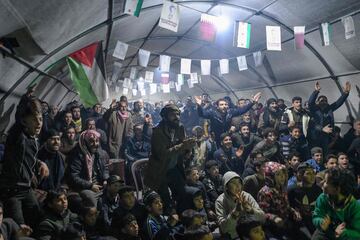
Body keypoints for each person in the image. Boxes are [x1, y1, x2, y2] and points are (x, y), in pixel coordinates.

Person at [0, 95, 48, 227]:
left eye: (40, 119)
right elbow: (19, 117)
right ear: (24, 121)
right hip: (12, 191)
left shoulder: (33, 139)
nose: (39, 123)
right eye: (34, 119)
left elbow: (25, 155)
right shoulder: (17, 136)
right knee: (19, 228)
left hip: (26, 189)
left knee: (41, 222)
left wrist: (39, 162)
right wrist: (28, 99)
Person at [144, 104, 195, 213]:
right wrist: (182, 146)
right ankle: (169, 223)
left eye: (178, 114)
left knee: (182, 193)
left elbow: (183, 145)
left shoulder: (180, 127)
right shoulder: (157, 131)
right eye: (172, 114)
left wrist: (188, 150)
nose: (176, 117)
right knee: (165, 200)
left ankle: (183, 219)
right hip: (160, 170)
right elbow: (162, 154)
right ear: (165, 117)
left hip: (174, 168)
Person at [257, 162, 304, 239]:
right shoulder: (265, 192)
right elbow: (262, 214)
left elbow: (285, 206)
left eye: (283, 174)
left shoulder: (281, 189)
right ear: (271, 176)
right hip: (273, 227)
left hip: (286, 222)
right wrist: (274, 218)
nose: (282, 177)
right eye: (278, 174)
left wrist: (293, 212)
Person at [194, 93, 261, 146]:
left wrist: (252, 102)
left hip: (227, 136)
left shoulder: (230, 112)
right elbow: (202, 114)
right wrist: (199, 106)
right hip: (216, 137)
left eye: (226, 104)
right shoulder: (212, 112)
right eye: (221, 105)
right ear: (217, 106)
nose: (224, 106)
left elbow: (242, 110)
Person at [312, 168, 360, 239]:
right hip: (326, 232)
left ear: (337, 189)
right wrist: (321, 222)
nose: (322, 183)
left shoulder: (354, 206)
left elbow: (358, 234)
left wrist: (344, 233)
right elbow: (316, 215)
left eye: (326, 181)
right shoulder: (323, 198)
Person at [215, 171, 265, 239]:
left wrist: (251, 210)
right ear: (226, 186)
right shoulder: (220, 201)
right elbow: (224, 229)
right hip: (234, 235)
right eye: (233, 183)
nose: (238, 186)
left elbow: (263, 218)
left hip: (250, 232)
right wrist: (236, 211)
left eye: (239, 182)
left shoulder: (246, 196)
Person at [308, 81, 350, 156]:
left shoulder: (329, 109)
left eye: (325, 101)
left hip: (326, 136)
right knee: (316, 154)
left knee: (325, 153)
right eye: (322, 100)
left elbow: (338, 103)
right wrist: (316, 91)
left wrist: (345, 93)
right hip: (315, 136)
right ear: (317, 102)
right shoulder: (314, 109)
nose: (324, 102)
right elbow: (310, 102)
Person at [67, 130, 109, 203]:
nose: (95, 144)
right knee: (92, 199)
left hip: (100, 184)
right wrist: (90, 185)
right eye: (91, 141)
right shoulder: (77, 155)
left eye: (97, 141)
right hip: (85, 186)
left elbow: (105, 168)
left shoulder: (99, 153)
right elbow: (73, 176)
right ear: (85, 142)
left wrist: (105, 180)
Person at [288, 162, 322, 235]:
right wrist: (294, 211)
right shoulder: (293, 190)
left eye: (313, 173)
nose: (313, 176)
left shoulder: (319, 190)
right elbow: (289, 206)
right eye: (308, 174)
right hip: (300, 224)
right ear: (300, 175)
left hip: (315, 222)